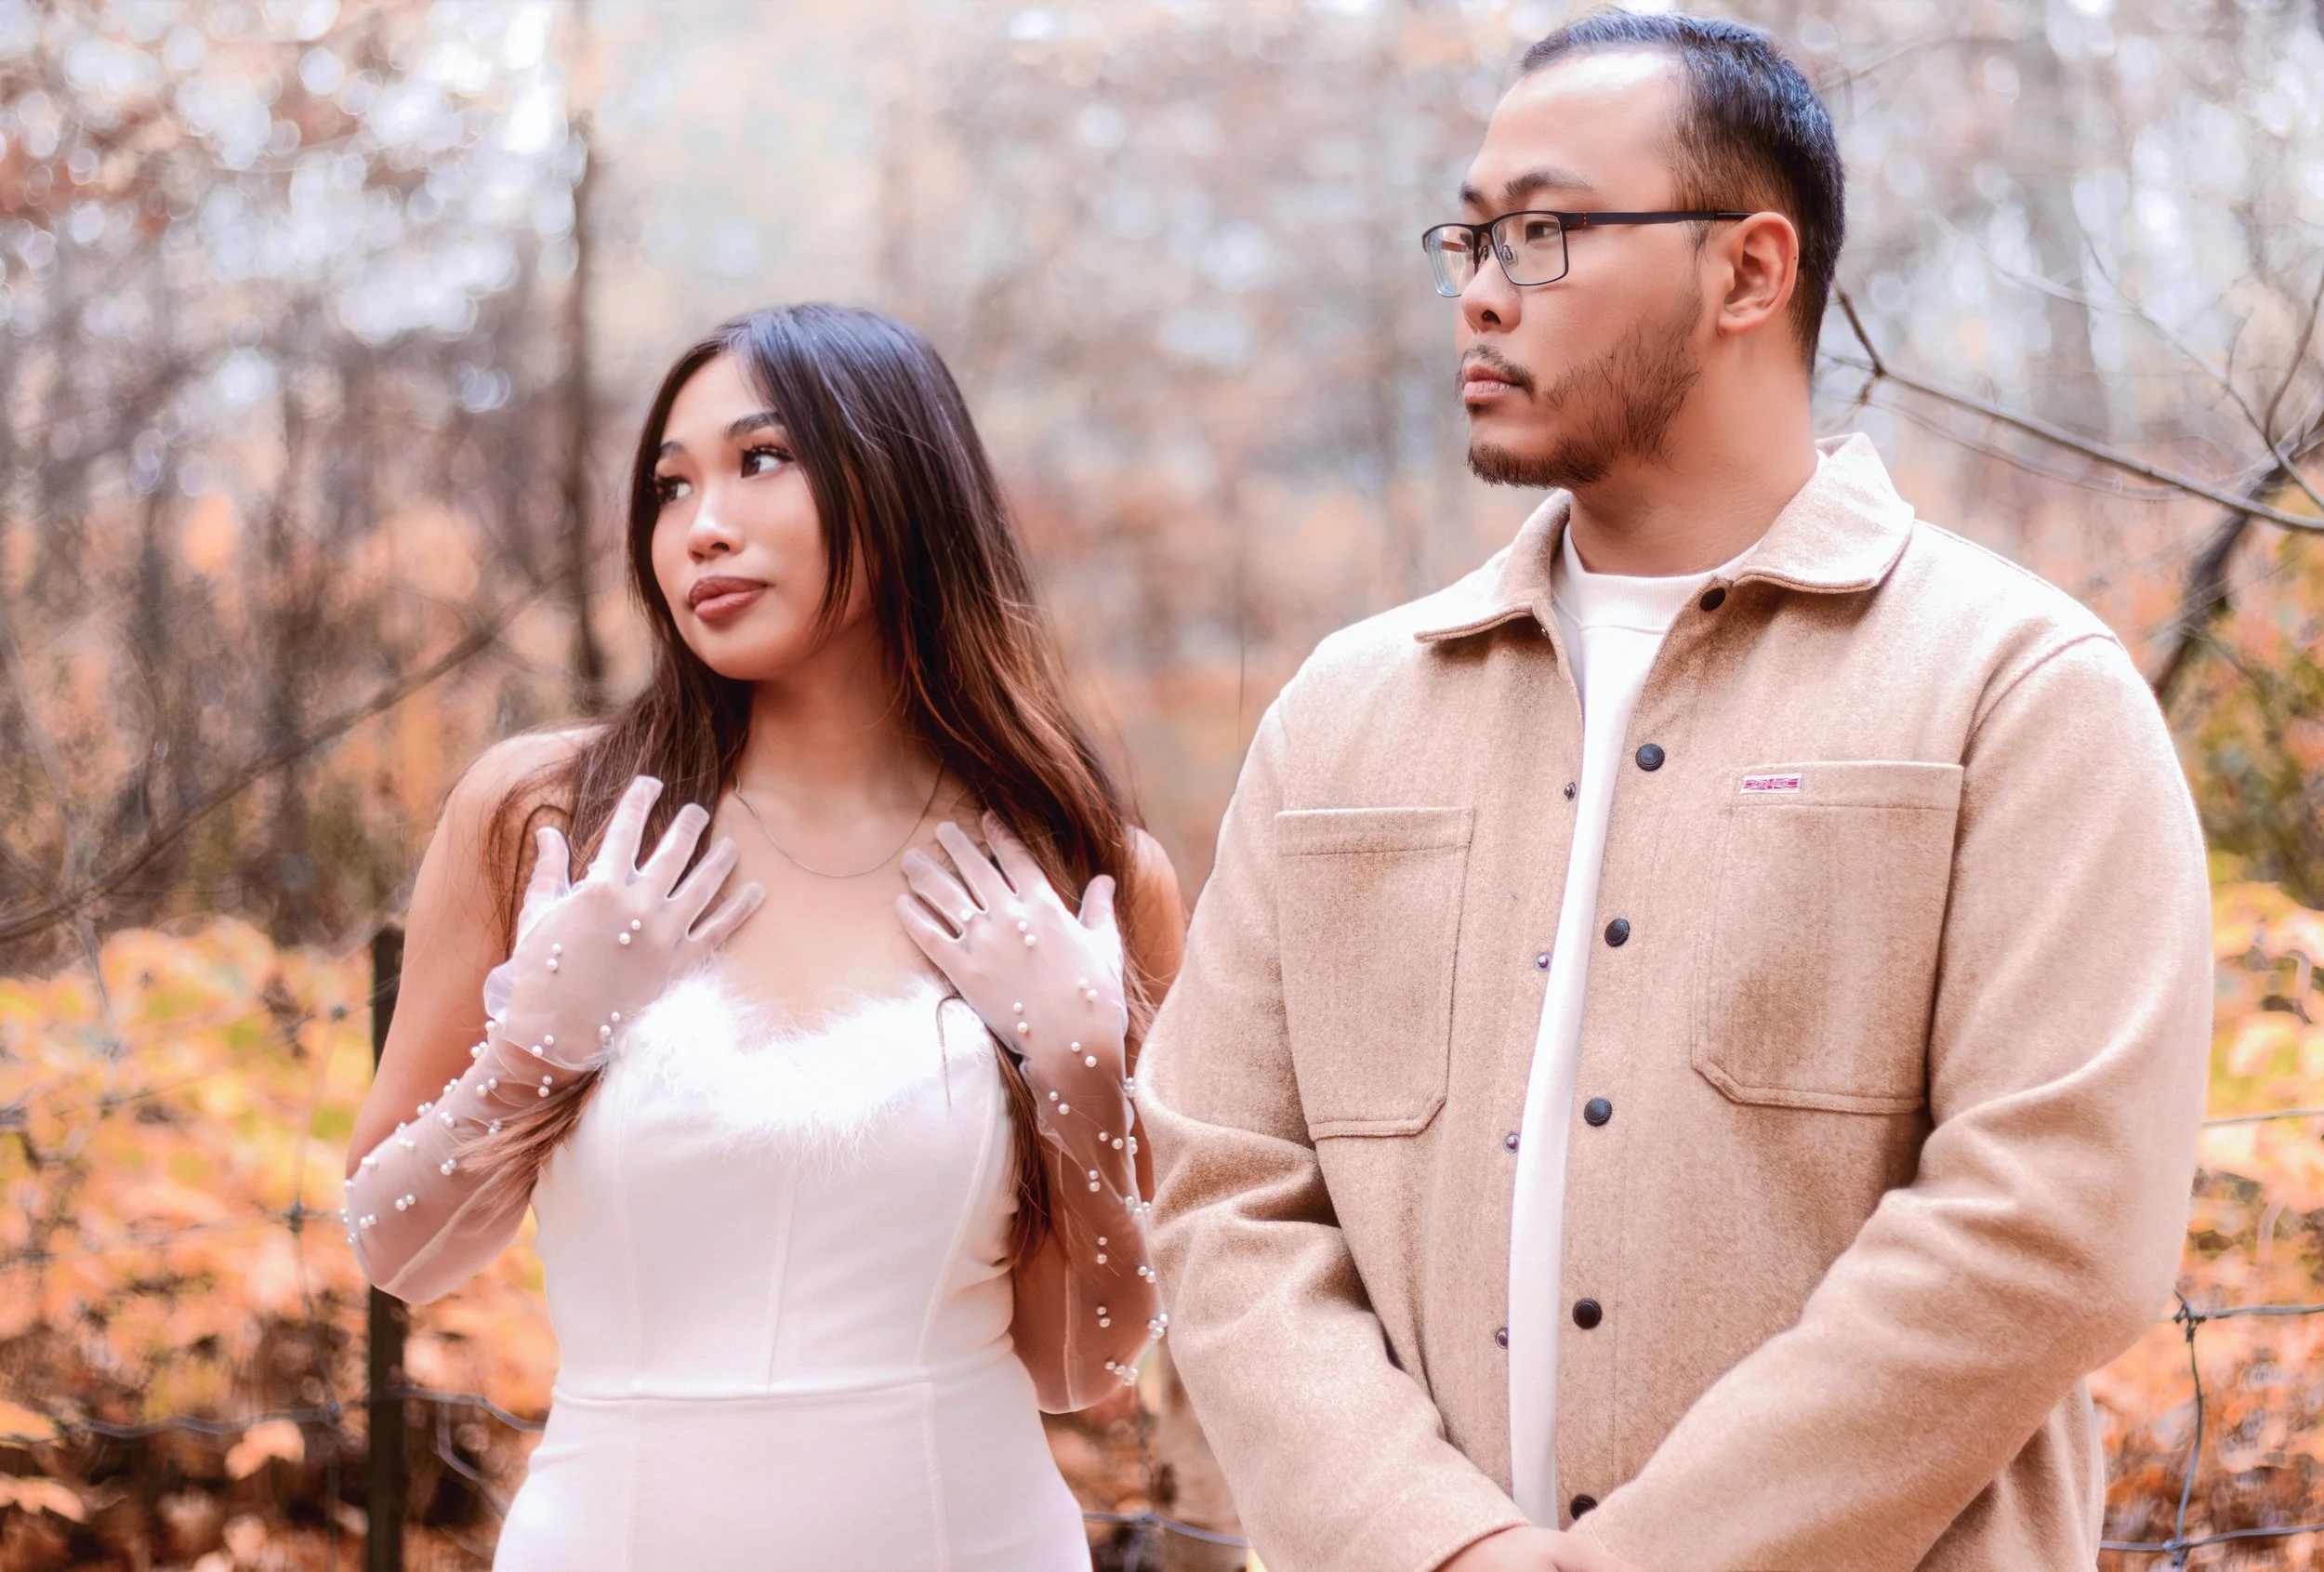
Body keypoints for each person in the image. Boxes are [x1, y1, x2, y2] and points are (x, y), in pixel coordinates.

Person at [1137, 12, 2212, 1572]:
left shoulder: (2017, 691)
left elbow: (2055, 1220)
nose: (1482, 288)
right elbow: (1225, 1186)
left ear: (1750, 273)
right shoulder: (1343, 714)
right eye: (1472, 233)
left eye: (1549, 231)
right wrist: (1431, 1547)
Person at [339, 303, 1185, 1571]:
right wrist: (540, 1048)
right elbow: (394, 1248)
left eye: (761, 461)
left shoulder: (1079, 870)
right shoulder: (549, 821)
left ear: (903, 486)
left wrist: (1083, 1079)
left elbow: (1086, 1360)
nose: (702, 526)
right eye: (670, 488)